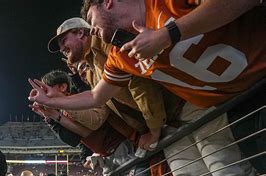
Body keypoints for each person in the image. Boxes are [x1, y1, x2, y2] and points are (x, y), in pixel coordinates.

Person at [29, 0, 266, 176]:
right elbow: (97, 96)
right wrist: (55, 103)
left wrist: (167, 34)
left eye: (91, 21)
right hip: (191, 107)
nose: (92, 28)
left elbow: (140, 92)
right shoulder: (119, 52)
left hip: (212, 97)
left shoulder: (148, 16)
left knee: (226, 171)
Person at [46, 17, 183, 150]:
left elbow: (139, 82)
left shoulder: (105, 41)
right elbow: (99, 108)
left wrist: (154, 128)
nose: (62, 49)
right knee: (187, 172)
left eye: (64, 41)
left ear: (81, 33)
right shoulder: (91, 69)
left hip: (176, 109)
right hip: (161, 123)